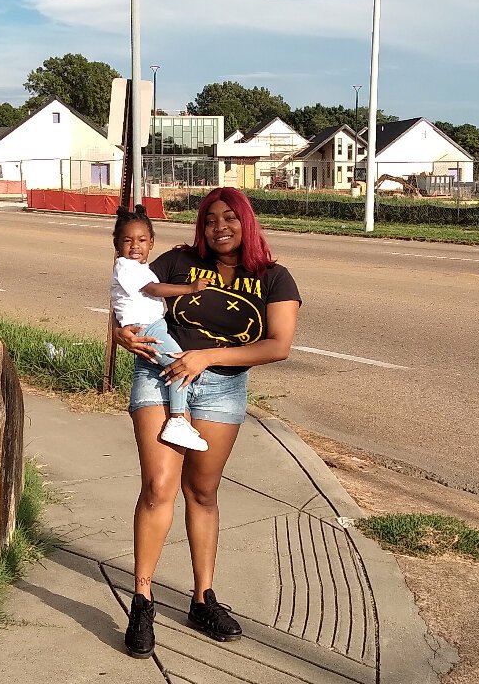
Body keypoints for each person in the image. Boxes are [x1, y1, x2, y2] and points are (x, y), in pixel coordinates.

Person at [113, 187, 301, 659]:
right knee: (158, 486)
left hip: (221, 387)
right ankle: (142, 600)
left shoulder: (273, 279)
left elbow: (277, 345)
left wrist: (207, 357)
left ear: (246, 222)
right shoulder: (177, 262)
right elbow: (124, 295)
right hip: (159, 375)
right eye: (211, 218)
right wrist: (120, 334)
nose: (220, 226)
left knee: (202, 492)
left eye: (230, 218)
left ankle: (202, 598)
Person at [110, 204, 209, 451]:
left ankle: (177, 418)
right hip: (147, 330)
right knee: (180, 365)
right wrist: (190, 288)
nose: (135, 246)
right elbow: (154, 290)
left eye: (142, 240)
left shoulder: (140, 268)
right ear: (117, 245)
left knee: (175, 366)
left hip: (152, 326)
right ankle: (176, 420)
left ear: (152, 242)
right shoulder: (127, 267)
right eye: (127, 241)